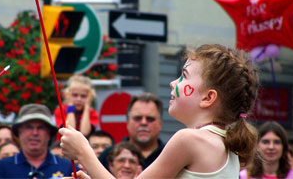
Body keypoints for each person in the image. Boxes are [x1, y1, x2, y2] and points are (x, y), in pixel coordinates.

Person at [60, 44, 259, 178]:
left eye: (184, 76)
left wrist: (83, 152)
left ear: (208, 98)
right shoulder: (226, 145)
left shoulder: (189, 140)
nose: (173, 83)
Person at [0, 103, 78, 178]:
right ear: (19, 132)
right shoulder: (1, 168)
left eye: (40, 128)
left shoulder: (69, 168)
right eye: (29, 127)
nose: (35, 133)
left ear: (49, 133)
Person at [98, 92, 165, 170]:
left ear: (160, 124)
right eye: (138, 118)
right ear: (127, 122)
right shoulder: (107, 157)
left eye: (150, 119)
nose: (143, 123)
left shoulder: (171, 156)